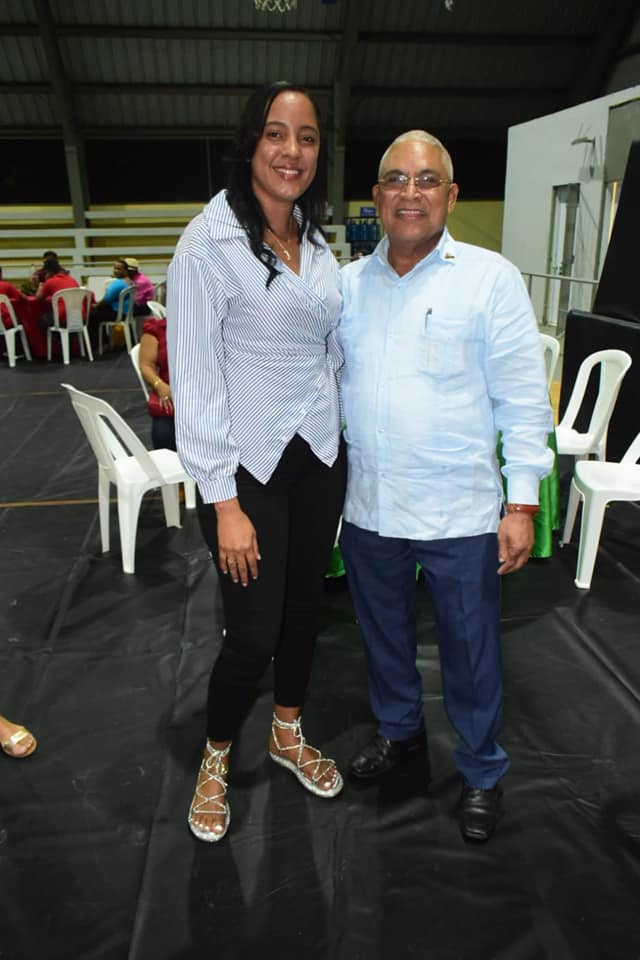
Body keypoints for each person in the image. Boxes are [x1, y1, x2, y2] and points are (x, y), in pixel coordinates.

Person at [338, 130, 554, 843]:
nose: (411, 192)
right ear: (377, 196)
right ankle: (400, 735)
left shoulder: (490, 279)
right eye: (396, 179)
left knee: (471, 651)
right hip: (370, 505)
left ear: (451, 196)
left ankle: (482, 769)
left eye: (427, 180)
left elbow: (523, 400)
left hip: (460, 511)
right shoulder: (346, 286)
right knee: (383, 638)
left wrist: (521, 502)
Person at [167, 80, 346, 843]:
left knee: (304, 610)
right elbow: (196, 377)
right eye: (277, 133)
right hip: (247, 470)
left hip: (320, 456)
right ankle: (215, 757)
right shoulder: (206, 244)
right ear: (250, 143)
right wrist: (224, 501)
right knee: (252, 634)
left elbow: (327, 345)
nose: (292, 151)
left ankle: (286, 732)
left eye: (307, 137)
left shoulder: (314, 236)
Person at [138, 315, 176, 450]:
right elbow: (146, 365)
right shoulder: (157, 329)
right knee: (164, 436)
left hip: (206, 399)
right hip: (169, 396)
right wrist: (159, 385)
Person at [88, 258, 133, 344]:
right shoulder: (130, 281)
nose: (115, 271)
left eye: (119, 269)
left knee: (91, 316)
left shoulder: (118, 283)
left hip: (117, 314)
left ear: (126, 271)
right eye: (115, 268)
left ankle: (97, 343)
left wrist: (95, 305)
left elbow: (106, 300)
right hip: (126, 313)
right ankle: (104, 341)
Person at [35, 256, 79, 328]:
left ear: (49, 271)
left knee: (42, 321)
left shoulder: (50, 281)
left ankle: (55, 335)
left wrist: (41, 284)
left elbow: (38, 298)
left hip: (63, 317)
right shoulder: (73, 280)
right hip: (79, 317)